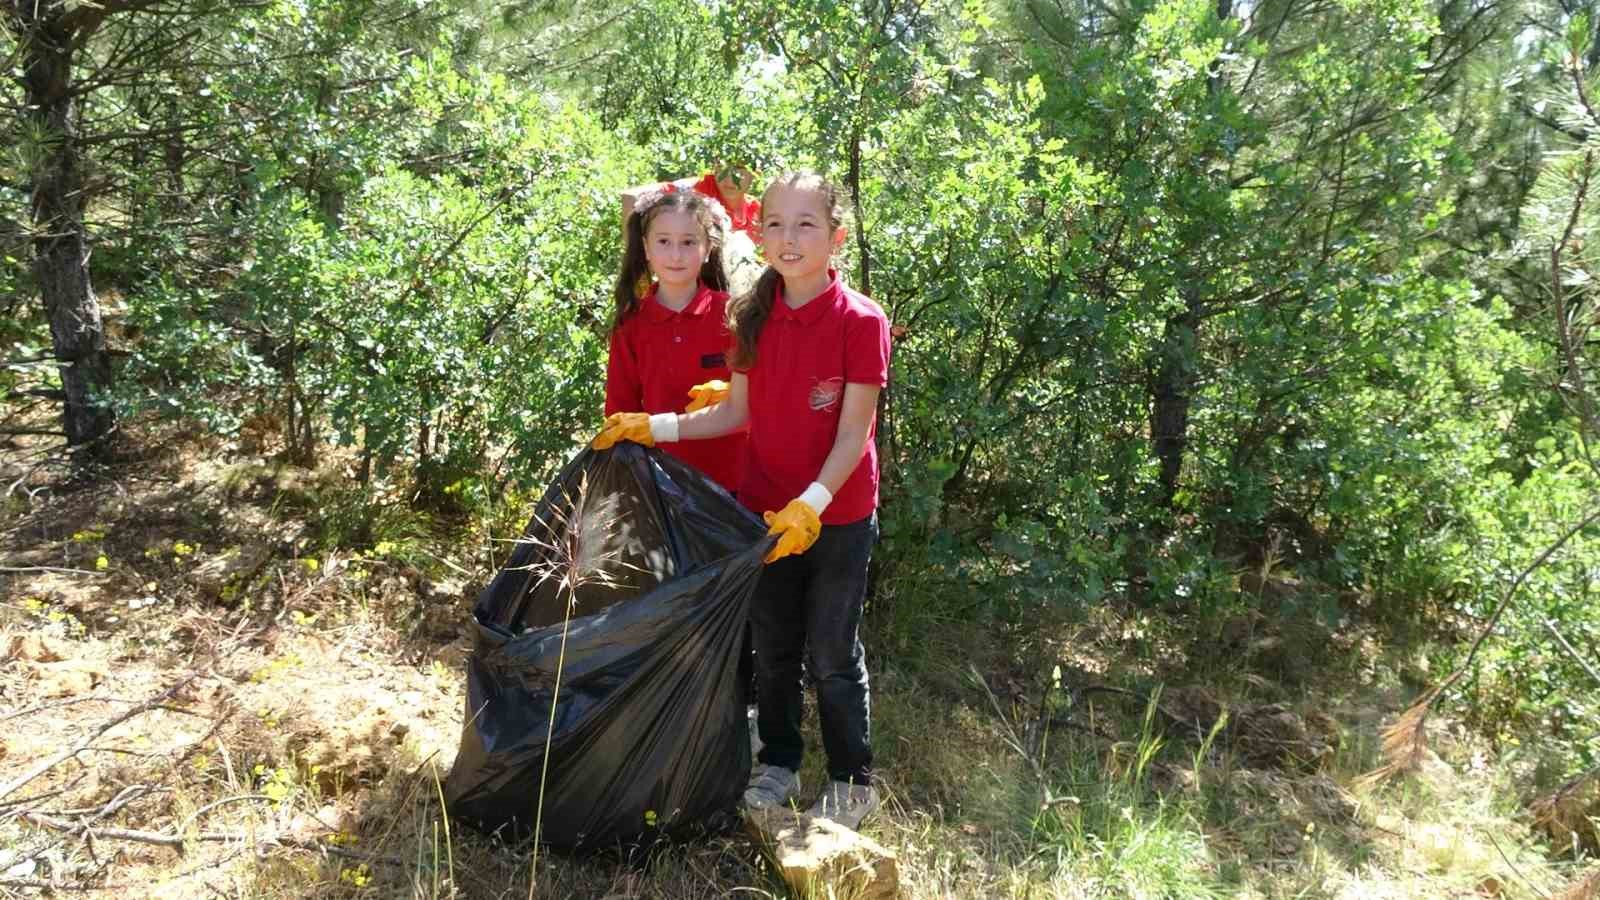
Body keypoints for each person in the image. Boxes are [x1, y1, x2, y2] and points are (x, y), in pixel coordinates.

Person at [593, 172, 890, 830]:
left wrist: (810, 503)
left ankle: (851, 779)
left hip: (835, 516)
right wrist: (656, 426)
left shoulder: (861, 321)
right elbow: (734, 412)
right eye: (776, 224)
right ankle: (779, 763)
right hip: (760, 511)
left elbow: (853, 432)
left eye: (806, 225)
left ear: (836, 238)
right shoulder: (752, 313)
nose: (789, 238)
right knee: (775, 644)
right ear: (758, 232)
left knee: (833, 652)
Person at [604, 186, 745, 494]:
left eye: (688, 242)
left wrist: (731, 395)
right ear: (646, 247)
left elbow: (757, 406)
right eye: (664, 242)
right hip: (664, 488)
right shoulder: (632, 325)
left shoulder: (734, 315)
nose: (676, 255)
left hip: (737, 487)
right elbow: (620, 412)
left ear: (708, 248)